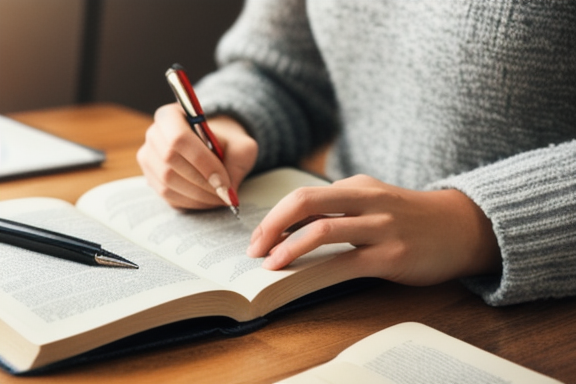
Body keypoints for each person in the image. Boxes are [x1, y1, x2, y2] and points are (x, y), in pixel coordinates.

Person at [137, 0, 576, 306]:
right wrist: (228, 125)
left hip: (528, 311)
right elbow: (282, 68)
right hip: (345, 283)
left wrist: (470, 224)